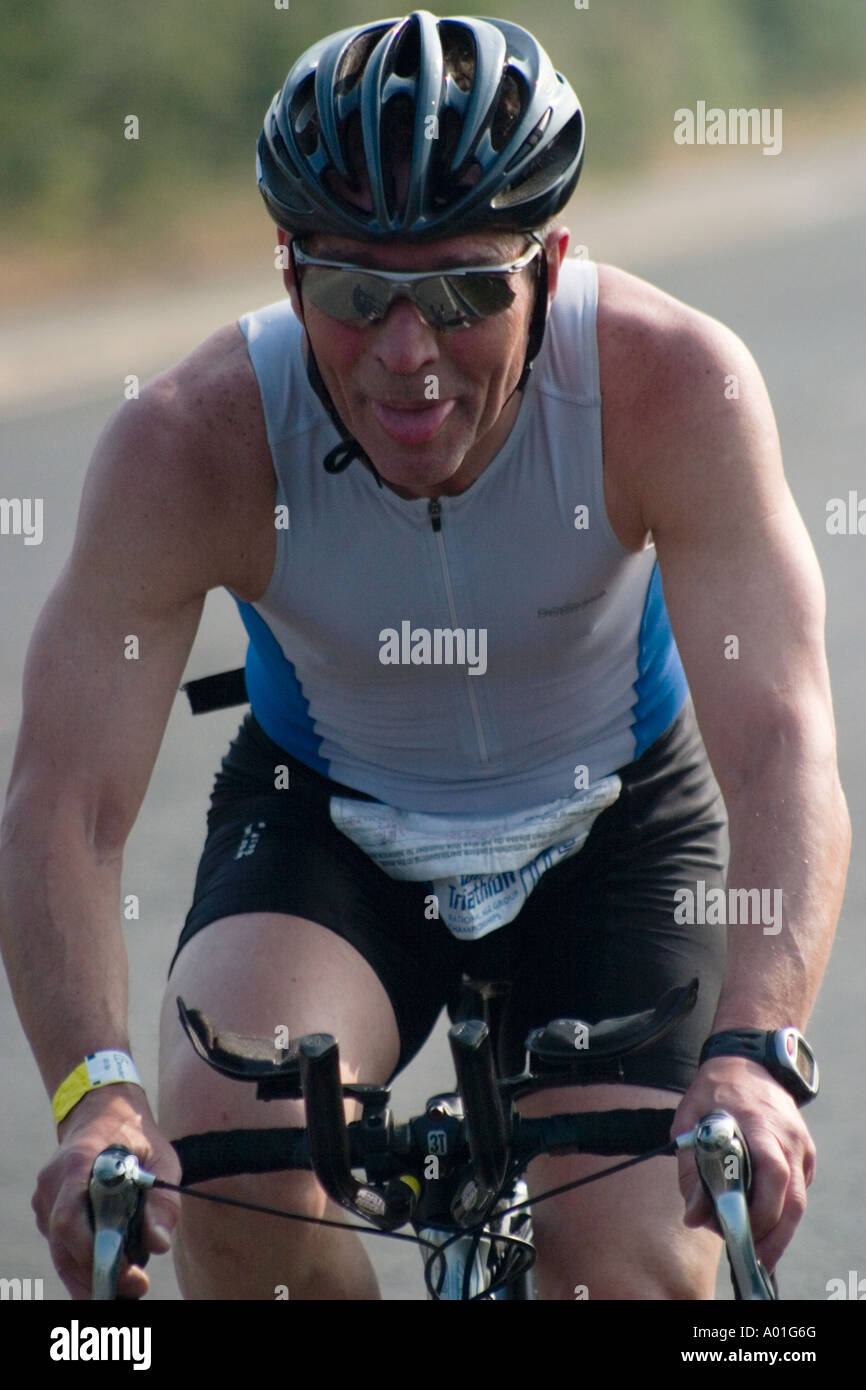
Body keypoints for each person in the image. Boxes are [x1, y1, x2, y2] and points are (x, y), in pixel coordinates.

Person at [0, 11, 849, 1301]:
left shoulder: (673, 386)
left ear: (550, 266)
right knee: (224, 1180)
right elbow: (62, 802)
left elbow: (787, 744)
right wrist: (96, 1099)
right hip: (331, 830)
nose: (409, 356)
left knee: (623, 1271)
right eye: (356, 293)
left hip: (612, 828)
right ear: (290, 278)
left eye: (463, 289)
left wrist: (756, 1052)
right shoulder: (191, 442)